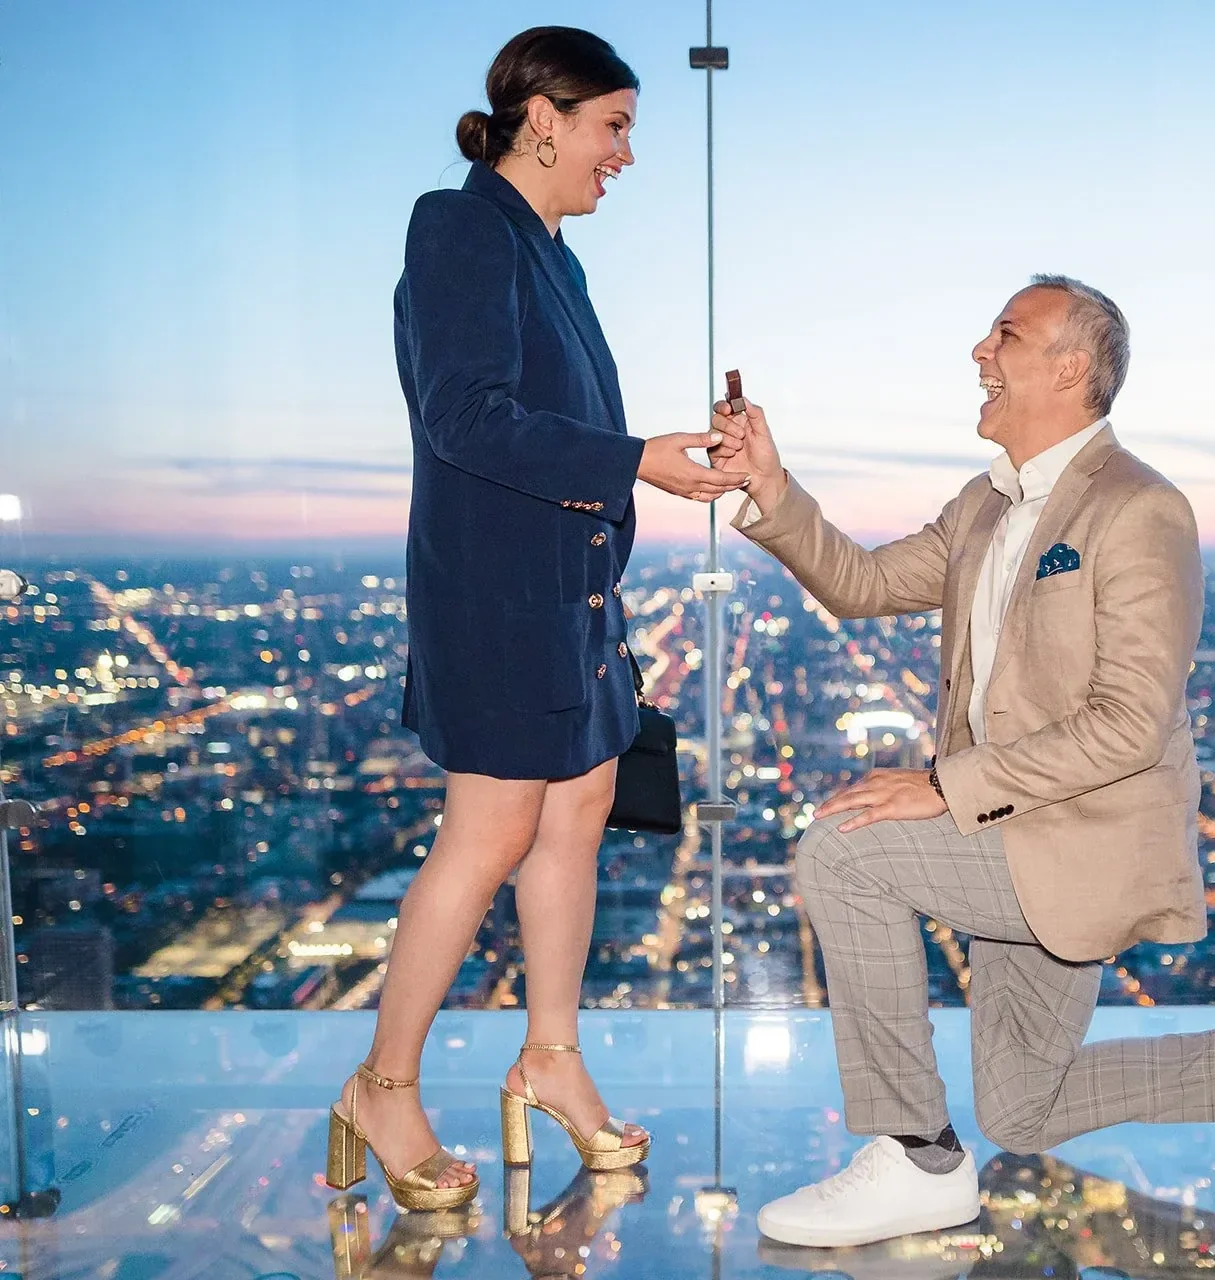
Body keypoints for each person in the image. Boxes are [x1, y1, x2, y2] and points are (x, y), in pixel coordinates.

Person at [710, 276, 1215, 1249]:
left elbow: (1129, 723)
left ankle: (916, 1155)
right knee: (1023, 1108)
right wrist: (768, 483)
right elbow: (860, 583)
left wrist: (942, 785)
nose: (980, 352)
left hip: (1081, 838)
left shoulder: (1137, 508)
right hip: (1015, 825)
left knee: (844, 848)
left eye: (1006, 335)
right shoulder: (986, 506)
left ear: (1070, 365)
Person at [324, 26, 750, 1211]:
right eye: (613, 126)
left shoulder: (552, 257)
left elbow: (541, 427)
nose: (624, 155)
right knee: (492, 830)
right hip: (497, 601)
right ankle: (382, 1083)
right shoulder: (459, 224)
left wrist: (646, 464)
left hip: (566, 591)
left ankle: (550, 1058)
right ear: (542, 116)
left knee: (582, 809)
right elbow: (462, 416)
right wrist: (637, 459)